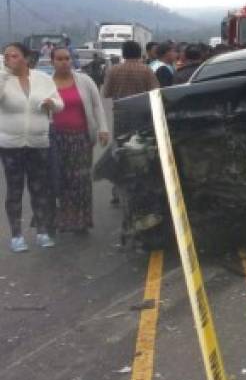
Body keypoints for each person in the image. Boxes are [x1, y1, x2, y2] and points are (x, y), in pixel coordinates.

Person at [0, 42, 64, 252]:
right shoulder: (4, 79)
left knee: (39, 188)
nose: (10, 59)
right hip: (11, 144)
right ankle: (16, 235)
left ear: (26, 58)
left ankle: (42, 232)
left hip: (38, 142)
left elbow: (59, 102)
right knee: (14, 189)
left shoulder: (43, 79)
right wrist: (3, 73)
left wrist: (51, 104)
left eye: (14, 55)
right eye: (6, 55)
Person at [50, 47, 108, 234]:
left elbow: (97, 105)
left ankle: (81, 221)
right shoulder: (46, 83)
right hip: (55, 139)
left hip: (80, 138)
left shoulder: (84, 81)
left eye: (67, 58)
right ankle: (65, 219)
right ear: (52, 61)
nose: (64, 62)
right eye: (59, 59)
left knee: (80, 180)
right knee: (60, 179)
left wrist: (103, 128)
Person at [102, 41, 159, 206]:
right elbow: (155, 92)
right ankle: (140, 189)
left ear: (123, 53)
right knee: (141, 150)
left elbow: (106, 93)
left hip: (121, 114)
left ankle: (118, 192)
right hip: (142, 115)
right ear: (139, 52)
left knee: (120, 150)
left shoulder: (114, 70)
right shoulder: (146, 70)